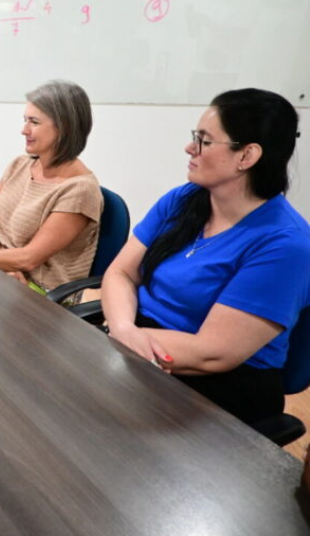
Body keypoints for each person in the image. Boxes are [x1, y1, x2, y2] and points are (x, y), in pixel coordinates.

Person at [101, 88, 310, 425]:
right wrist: (123, 328)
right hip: (140, 344)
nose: (190, 148)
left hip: (220, 387)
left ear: (247, 156)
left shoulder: (285, 245)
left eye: (204, 140)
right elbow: (121, 273)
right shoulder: (184, 199)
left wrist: (123, 341)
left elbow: (212, 352)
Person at [0, 80, 103, 294]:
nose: (24, 130)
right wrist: (5, 270)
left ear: (64, 127)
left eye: (34, 122)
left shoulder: (80, 190)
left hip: (39, 296)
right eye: (24, 120)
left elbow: (29, 259)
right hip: (3, 277)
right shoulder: (19, 165)